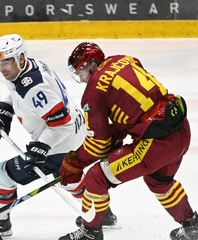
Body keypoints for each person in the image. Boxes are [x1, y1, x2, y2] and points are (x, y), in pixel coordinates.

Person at [0, 34, 118, 238]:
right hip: (76, 133)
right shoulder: (28, 67)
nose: (2, 69)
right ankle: (102, 213)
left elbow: (61, 123)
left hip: (60, 141)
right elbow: (19, 92)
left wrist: (41, 148)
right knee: (67, 177)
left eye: (6, 62)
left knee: (1, 175)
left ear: (20, 58)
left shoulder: (34, 87)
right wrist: (5, 108)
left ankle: (0, 223)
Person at [58, 41, 197, 240]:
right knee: (158, 180)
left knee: (96, 177)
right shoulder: (123, 59)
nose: (80, 80)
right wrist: (115, 135)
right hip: (180, 128)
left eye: (81, 72)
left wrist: (74, 162)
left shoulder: (92, 94)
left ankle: (90, 232)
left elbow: (98, 144)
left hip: (155, 143)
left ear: (92, 64)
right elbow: (136, 104)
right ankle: (191, 225)